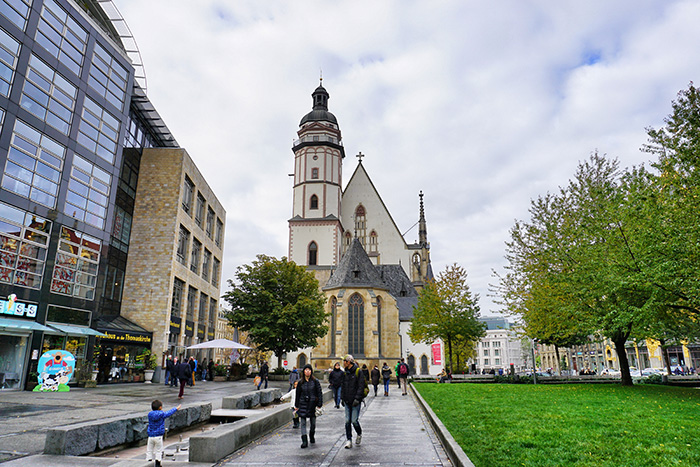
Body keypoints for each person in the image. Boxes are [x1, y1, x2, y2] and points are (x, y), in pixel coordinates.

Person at [294, 364, 323, 448]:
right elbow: (298, 394)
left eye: (309, 370)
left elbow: (319, 393)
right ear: (303, 371)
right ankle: (304, 440)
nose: (307, 371)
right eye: (306, 370)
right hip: (303, 404)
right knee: (303, 423)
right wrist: (296, 405)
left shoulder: (315, 381)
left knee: (313, 424)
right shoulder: (300, 382)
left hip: (312, 405)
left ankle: (311, 435)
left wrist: (319, 404)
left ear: (311, 371)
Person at [341, 354, 365, 449]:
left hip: (355, 401)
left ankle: (359, 433)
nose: (343, 363)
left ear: (348, 362)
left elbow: (361, 386)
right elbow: (342, 386)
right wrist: (342, 398)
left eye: (344, 361)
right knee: (347, 421)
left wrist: (357, 399)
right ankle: (349, 440)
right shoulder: (345, 373)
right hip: (347, 400)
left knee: (354, 421)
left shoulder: (358, 372)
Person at [147, 399, 180, 467]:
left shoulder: (149, 414)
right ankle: (157, 464)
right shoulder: (161, 414)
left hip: (150, 435)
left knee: (149, 449)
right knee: (158, 450)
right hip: (158, 436)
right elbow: (168, 413)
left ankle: (148, 461)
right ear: (160, 407)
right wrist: (175, 409)